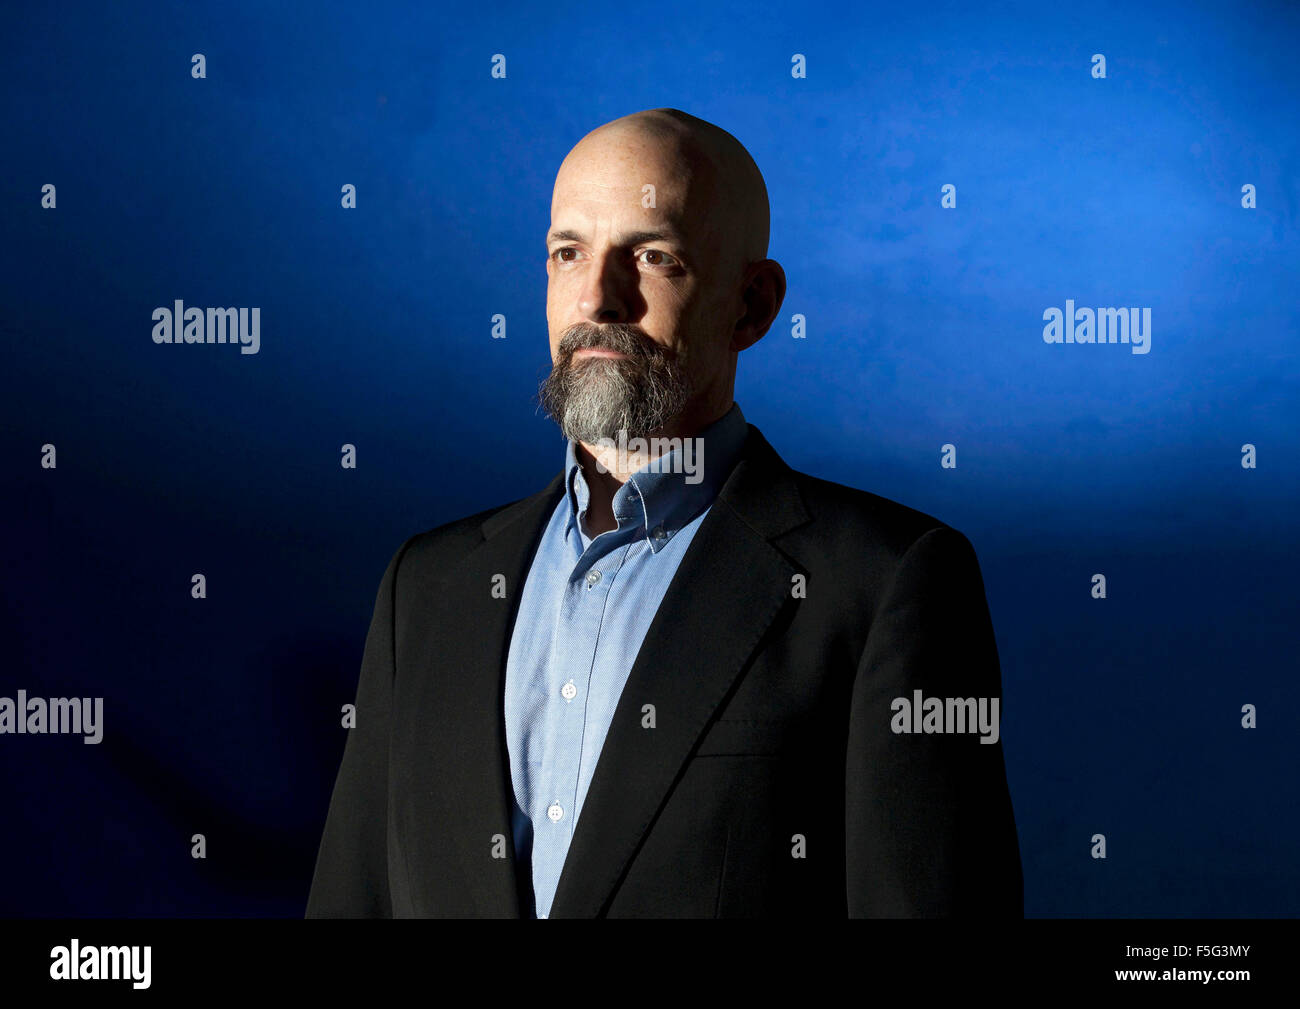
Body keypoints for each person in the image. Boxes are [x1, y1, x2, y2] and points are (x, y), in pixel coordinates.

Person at [306, 107, 1023, 918]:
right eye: (568, 252)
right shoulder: (425, 590)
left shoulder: (885, 585)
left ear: (752, 304)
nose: (598, 298)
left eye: (651, 255)